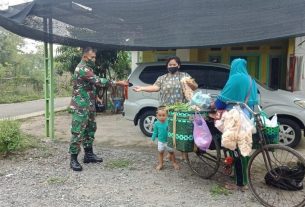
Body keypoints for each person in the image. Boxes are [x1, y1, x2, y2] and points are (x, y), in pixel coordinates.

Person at [133, 56, 198, 161]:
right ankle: (170, 153)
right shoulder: (162, 78)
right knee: (168, 132)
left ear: (178, 65)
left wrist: (191, 83)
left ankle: (183, 154)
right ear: (167, 66)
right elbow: (155, 87)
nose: (172, 66)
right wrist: (142, 88)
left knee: (181, 132)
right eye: (170, 65)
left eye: (174, 64)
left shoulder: (184, 76)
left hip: (180, 109)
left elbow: (194, 87)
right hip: (165, 110)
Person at [213, 58, 259, 191]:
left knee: (235, 147)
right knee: (244, 146)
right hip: (247, 117)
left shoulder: (235, 78)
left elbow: (221, 102)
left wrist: (213, 104)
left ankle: (240, 184)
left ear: (234, 67)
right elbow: (254, 100)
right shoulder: (250, 79)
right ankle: (244, 175)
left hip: (235, 118)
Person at [69, 47, 110, 171]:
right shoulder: (82, 69)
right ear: (84, 57)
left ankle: (89, 155)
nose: (94, 59)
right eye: (92, 57)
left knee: (90, 129)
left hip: (89, 104)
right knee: (78, 131)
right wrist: (117, 82)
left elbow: (89, 85)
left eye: (94, 57)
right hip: (80, 106)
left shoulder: (88, 68)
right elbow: (97, 81)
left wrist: (96, 97)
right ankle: (73, 159)